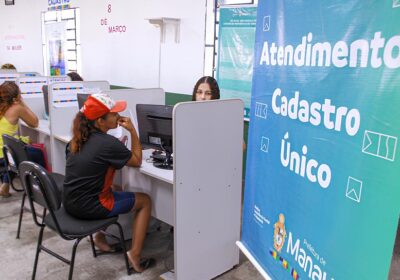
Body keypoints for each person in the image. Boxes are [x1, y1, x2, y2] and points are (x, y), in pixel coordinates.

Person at [63, 93, 154, 272]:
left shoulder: (79, 137)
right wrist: (133, 131)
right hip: (89, 207)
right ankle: (135, 254)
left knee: (116, 187)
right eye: (113, 114)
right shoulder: (107, 143)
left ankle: (100, 238)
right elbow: (136, 160)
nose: (118, 116)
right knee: (145, 201)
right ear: (100, 121)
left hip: (70, 202)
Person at [0, 82, 39, 197]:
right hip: (4, 156)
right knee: (37, 154)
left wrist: (23, 139)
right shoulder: (16, 108)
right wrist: (22, 103)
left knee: (15, 147)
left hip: (4, 152)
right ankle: (40, 189)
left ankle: (5, 185)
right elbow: (35, 123)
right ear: (16, 97)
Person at [192, 76, 246, 150]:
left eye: (208, 93)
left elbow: (242, 146)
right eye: (199, 92)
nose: (203, 97)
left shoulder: (223, 116)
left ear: (214, 95)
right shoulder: (188, 115)